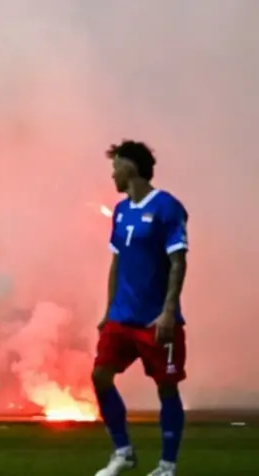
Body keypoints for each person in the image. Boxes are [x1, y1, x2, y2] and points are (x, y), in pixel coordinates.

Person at [93, 140, 188, 476]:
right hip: (121, 317)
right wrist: (108, 311)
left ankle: (166, 466)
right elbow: (116, 262)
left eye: (115, 167)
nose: (113, 175)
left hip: (155, 319)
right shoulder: (120, 211)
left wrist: (167, 311)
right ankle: (123, 452)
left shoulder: (167, 207)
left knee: (166, 387)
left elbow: (178, 262)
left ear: (130, 167)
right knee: (100, 376)